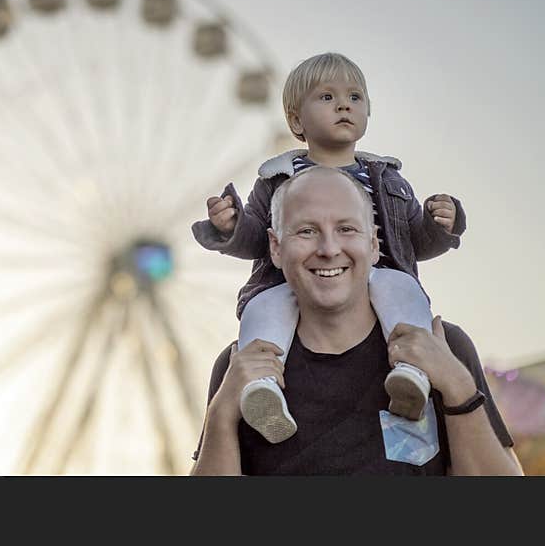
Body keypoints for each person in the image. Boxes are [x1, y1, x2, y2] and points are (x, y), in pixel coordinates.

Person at [192, 52, 463, 443]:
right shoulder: (276, 179)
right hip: (296, 281)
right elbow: (259, 239)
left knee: (405, 294)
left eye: (355, 97)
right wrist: (232, 225)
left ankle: (412, 374)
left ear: (368, 112)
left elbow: (413, 241)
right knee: (263, 308)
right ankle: (261, 387)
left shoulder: (389, 180)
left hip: (379, 274)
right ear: (296, 120)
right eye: (326, 97)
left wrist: (439, 225)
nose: (343, 105)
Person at [190, 166, 521, 475]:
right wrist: (220, 416)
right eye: (307, 231)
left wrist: (458, 386)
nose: (329, 248)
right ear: (275, 248)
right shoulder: (241, 367)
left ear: (374, 244)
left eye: (346, 229)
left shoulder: (444, 349)